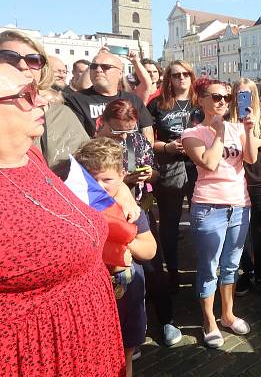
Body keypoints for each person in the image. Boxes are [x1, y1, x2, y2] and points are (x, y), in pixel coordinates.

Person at [0, 64, 125, 376]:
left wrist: (118, 190)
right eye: (26, 95)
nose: (42, 100)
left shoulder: (33, 157)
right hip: (36, 353)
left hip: (91, 343)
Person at [97, 100, 184, 348]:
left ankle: (166, 319)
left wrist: (147, 175)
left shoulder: (136, 140)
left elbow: (155, 171)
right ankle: (125, 332)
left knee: (154, 267)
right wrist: (121, 181)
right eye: (118, 131)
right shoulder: (94, 147)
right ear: (103, 123)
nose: (124, 136)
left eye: (129, 130)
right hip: (107, 217)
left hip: (140, 211)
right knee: (121, 274)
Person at [181, 79, 257, 349]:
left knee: (231, 266)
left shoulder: (237, 127)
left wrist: (250, 130)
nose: (223, 101)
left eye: (227, 96)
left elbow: (250, 159)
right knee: (209, 267)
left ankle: (227, 314)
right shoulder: (192, 133)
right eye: (216, 97)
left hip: (239, 205)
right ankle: (208, 320)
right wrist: (219, 132)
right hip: (209, 207)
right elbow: (211, 163)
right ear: (201, 100)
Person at [73, 138, 157, 377]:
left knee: (127, 350)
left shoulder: (128, 211)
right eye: (92, 179)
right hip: (92, 294)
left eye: (107, 179)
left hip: (127, 290)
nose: (99, 186)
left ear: (122, 175)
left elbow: (150, 250)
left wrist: (123, 237)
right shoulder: (76, 207)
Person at [0, 30, 89, 175]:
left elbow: (92, 169)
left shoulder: (61, 115)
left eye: (33, 60)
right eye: (8, 57)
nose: (23, 65)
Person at [147, 60, 199, 292]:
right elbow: (147, 142)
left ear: (191, 76)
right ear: (168, 78)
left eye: (186, 74)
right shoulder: (157, 104)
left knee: (201, 222)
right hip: (170, 167)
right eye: (176, 75)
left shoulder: (202, 101)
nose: (181, 78)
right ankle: (173, 273)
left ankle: (202, 272)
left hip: (199, 167)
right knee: (169, 223)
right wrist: (167, 147)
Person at [232, 78, 261, 297]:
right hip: (236, 178)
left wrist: (257, 140)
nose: (244, 99)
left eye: (247, 94)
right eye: (239, 95)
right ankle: (246, 272)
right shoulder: (229, 121)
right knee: (240, 229)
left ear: (255, 96)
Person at [63, 50, 154, 142]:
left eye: (106, 67)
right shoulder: (75, 100)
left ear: (120, 73)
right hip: (97, 154)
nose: (98, 70)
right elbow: (75, 140)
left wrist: (143, 154)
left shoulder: (133, 99)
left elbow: (147, 132)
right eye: (94, 66)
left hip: (132, 155)